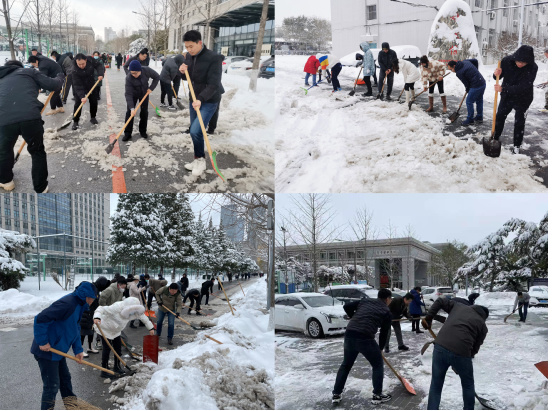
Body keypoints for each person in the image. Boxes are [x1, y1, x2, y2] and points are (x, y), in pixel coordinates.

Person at [30, 281, 97, 410]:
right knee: (52, 386)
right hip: (47, 351)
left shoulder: (79, 305)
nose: (93, 302)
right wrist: (43, 341)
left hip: (58, 351)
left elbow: (75, 328)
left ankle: (72, 407)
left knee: (65, 380)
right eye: (92, 299)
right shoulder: (68, 304)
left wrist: (78, 350)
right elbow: (40, 318)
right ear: (86, 296)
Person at [0, 60, 64, 193]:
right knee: (37, 151)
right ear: (19, 67)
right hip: (30, 118)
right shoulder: (29, 72)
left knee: (4, 150)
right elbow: (54, 85)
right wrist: (60, 76)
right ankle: (40, 188)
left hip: (4, 121)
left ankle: (6, 182)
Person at [424, 298, 489, 410]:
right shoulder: (483, 326)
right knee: (468, 385)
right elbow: (475, 348)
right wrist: (462, 362)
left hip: (440, 347)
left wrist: (428, 318)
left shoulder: (458, 306)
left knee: (436, 384)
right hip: (462, 353)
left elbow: (440, 301)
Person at [332, 288, 392, 405]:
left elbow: (347, 307)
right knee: (378, 364)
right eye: (390, 299)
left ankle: (336, 394)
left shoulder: (365, 301)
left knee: (346, 365)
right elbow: (384, 332)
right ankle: (377, 395)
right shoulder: (386, 311)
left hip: (349, 334)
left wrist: (354, 317)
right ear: (387, 299)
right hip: (365, 337)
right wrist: (380, 348)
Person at [179, 30, 225, 177]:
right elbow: (187, 77)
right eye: (186, 47)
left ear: (200, 43)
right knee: (195, 133)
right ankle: (198, 159)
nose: (189, 50)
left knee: (195, 131)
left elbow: (214, 84)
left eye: (191, 46)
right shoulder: (189, 57)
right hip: (195, 98)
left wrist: (201, 99)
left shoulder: (214, 58)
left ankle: (201, 162)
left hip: (209, 99)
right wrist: (182, 71)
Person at [491, 45, 538, 154]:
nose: (520, 64)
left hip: (523, 97)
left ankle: (517, 145)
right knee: (500, 117)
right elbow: (499, 76)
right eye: (518, 61)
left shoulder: (533, 67)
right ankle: (495, 138)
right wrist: (496, 74)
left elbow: (524, 86)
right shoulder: (507, 61)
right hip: (507, 96)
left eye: (524, 62)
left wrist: (503, 89)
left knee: (519, 122)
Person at [94, 297, 155, 378]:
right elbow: (101, 308)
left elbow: (142, 317)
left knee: (118, 349)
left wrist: (150, 327)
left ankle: (117, 367)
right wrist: (97, 317)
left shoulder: (134, 311)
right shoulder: (116, 307)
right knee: (107, 349)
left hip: (116, 331)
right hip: (105, 329)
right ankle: (104, 370)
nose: (133, 313)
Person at [122, 59, 159, 141]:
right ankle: (127, 133)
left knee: (144, 112)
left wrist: (151, 88)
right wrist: (132, 108)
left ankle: (143, 131)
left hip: (144, 93)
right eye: (132, 73)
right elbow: (128, 94)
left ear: (140, 70)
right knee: (129, 113)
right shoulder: (129, 78)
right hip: (133, 94)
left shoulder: (146, 70)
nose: (134, 75)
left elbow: (157, 77)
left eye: (136, 73)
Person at [447, 59, 486, 126]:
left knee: (469, 101)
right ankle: (479, 117)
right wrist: (476, 71)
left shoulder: (459, 73)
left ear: (454, 66)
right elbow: (475, 60)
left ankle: (470, 119)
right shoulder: (464, 61)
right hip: (482, 82)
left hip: (476, 85)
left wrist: (467, 89)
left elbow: (466, 83)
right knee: (479, 100)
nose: (452, 71)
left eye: (451, 69)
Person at [70, 53, 104, 130]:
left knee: (94, 101)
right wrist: (82, 97)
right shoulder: (74, 69)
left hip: (91, 83)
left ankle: (93, 117)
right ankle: (75, 121)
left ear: (86, 60)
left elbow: (99, 65)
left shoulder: (90, 60)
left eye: (83, 64)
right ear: (76, 62)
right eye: (79, 64)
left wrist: (100, 74)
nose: (81, 66)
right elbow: (77, 86)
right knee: (78, 103)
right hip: (80, 85)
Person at [80, 276, 111, 356]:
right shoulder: (92, 289)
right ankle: (80, 350)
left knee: (91, 331)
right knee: (83, 332)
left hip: (91, 314)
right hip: (85, 313)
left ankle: (90, 347)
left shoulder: (96, 290)